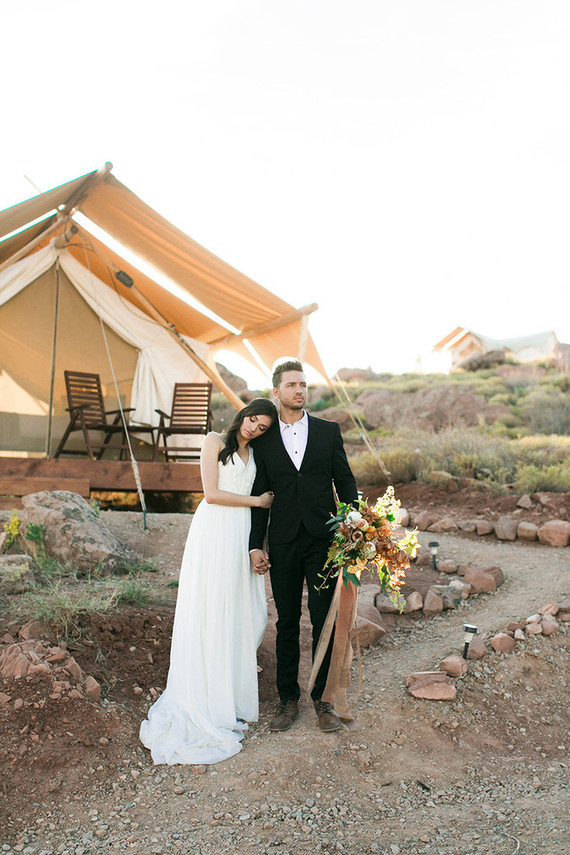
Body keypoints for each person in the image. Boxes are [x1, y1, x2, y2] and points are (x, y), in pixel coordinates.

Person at [140, 397, 278, 765]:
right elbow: (211, 494)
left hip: (241, 532)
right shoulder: (214, 441)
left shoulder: (257, 454)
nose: (254, 428)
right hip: (216, 529)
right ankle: (205, 698)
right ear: (244, 414)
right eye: (253, 419)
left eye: (263, 427)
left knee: (243, 611)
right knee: (212, 606)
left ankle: (229, 697)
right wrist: (257, 502)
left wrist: (258, 538)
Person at [249, 359, 358, 733]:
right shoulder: (263, 441)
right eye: (292, 385)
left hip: (324, 540)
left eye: (303, 384)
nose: (299, 390)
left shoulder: (328, 431)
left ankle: (323, 701)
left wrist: (353, 523)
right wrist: (255, 545)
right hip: (283, 541)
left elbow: (345, 482)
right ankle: (288, 698)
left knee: (324, 617)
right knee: (287, 622)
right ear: (276, 392)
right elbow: (261, 495)